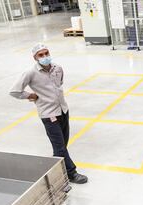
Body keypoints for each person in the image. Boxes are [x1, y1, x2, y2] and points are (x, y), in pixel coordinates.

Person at [10, 44, 88, 184]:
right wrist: (30, 96)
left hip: (63, 110)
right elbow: (14, 91)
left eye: (46, 53)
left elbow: (60, 84)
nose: (45, 56)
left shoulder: (57, 68)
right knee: (60, 147)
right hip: (48, 114)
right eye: (41, 55)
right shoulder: (30, 73)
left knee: (62, 145)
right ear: (35, 57)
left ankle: (55, 168)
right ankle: (71, 173)